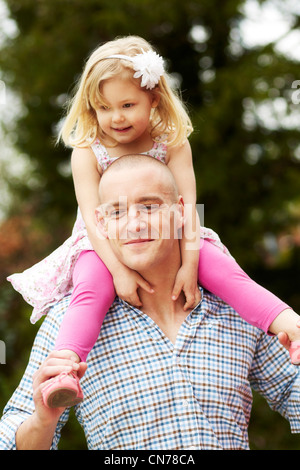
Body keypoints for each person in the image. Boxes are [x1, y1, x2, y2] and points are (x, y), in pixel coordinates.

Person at [6, 35, 300, 409]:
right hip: (102, 243)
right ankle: (64, 368)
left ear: (153, 98)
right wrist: (118, 271)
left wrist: (190, 264)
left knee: (226, 273)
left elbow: (189, 206)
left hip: (173, 232)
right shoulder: (87, 152)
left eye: (128, 105)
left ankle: (290, 325)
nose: (116, 117)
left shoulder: (172, 141)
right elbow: (93, 222)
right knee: (91, 291)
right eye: (103, 107)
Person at [0, 155, 300, 450]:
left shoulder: (235, 310)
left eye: (149, 206)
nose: (135, 224)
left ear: (181, 211)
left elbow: (292, 389)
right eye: (117, 212)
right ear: (101, 224)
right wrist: (42, 422)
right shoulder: (68, 324)